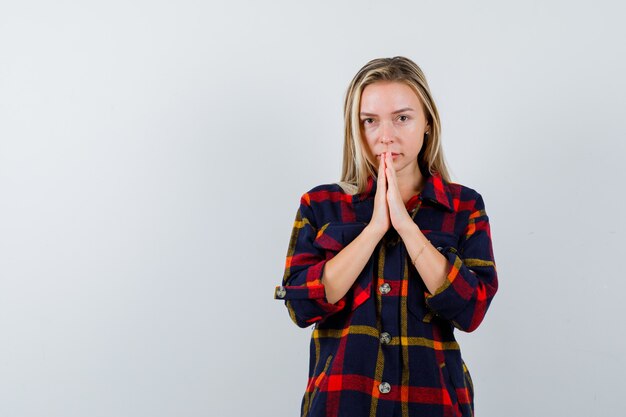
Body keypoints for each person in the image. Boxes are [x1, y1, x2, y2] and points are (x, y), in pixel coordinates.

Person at [274, 56, 498, 417]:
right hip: (342, 404)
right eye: (370, 121)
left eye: (403, 118)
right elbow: (301, 306)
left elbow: (471, 310)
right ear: (355, 128)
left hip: (434, 406)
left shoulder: (464, 206)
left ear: (427, 123)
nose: (386, 136)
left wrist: (407, 228)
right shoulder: (320, 205)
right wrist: (376, 227)